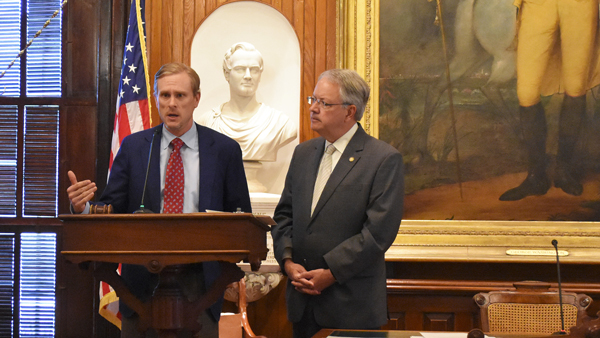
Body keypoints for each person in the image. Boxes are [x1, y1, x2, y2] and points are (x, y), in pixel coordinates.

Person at [67, 62, 251, 338]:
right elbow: (111, 207)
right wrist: (82, 209)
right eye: (165, 96)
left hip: (200, 282)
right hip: (141, 282)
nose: (172, 104)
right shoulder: (135, 147)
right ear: (156, 98)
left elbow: (240, 215)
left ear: (196, 99)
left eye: (180, 95)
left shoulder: (224, 150)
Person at [271, 69, 404, 338]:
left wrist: (330, 272)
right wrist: (287, 260)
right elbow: (284, 215)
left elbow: (378, 233)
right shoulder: (303, 154)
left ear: (349, 111)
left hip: (351, 304)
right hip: (302, 302)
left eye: (324, 103)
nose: (313, 108)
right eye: (313, 100)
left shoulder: (382, 159)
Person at [499, 0, 599, 201]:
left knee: (576, 86)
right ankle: (536, 177)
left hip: (579, 4)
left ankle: (564, 171)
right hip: (538, 4)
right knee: (527, 92)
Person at [197, 42, 297, 162]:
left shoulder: (280, 124)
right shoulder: (208, 122)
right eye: (240, 69)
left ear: (260, 75)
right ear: (226, 74)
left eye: (254, 70)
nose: (248, 76)